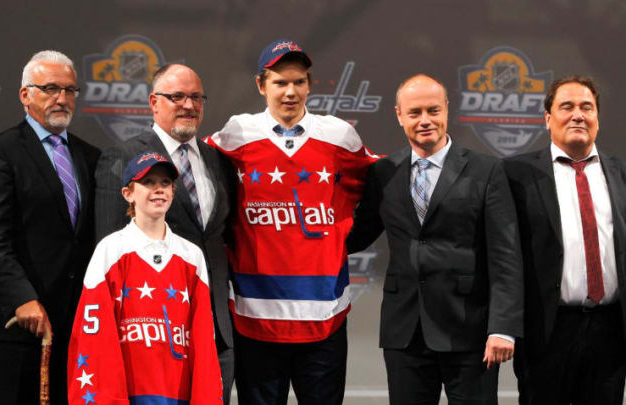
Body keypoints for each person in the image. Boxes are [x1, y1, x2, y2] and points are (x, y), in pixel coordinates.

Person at [206, 39, 376, 405]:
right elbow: (196, 177)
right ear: (261, 85)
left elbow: (378, 187)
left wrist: (343, 239)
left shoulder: (339, 136)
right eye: (280, 82)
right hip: (255, 316)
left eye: (299, 82)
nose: (290, 91)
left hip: (323, 317)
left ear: (309, 85)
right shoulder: (236, 134)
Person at [346, 74, 523, 405]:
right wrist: (300, 241)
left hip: (469, 330)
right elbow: (358, 234)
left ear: (446, 110)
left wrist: (502, 328)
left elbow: (505, 256)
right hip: (405, 332)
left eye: (433, 110)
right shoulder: (384, 172)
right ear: (399, 115)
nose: (425, 120)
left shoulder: (487, 170)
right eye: (415, 113)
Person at [94, 63, 235, 403]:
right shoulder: (124, 156)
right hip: (152, 330)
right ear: (153, 103)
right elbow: (110, 248)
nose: (188, 105)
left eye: (196, 97)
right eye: (177, 97)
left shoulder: (218, 160)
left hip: (215, 329)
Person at [0, 50, 100, 404]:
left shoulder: (90, 157)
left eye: (70, 90)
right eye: (50, 88)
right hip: (17, 326)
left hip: (74, 324)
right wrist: (22, 298)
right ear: (25, 94)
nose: (62, 98)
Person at [504, 76, 626, 405]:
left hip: (611, 332)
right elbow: (503, 257)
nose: (577, 115)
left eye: (587, 107)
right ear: (547, 118)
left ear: (597, 117)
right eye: (566, 106)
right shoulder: (514, 174)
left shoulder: (621, 173)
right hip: (546, 332)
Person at [68, 151, 222, 404]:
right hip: (127, 394)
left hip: (178, 394)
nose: (158, 189)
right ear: (128, 193)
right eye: (148, 182)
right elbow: (94, 339)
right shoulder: (111, 250)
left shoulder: (191, 256)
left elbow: (204, 339)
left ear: (173, 191)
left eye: (165, 183)